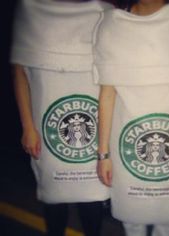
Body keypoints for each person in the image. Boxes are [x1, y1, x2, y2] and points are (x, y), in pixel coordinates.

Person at [94, 0, 169, 235]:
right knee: (132, 218)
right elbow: (107, 94)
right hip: (126, 146)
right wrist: (103, 154)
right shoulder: (112, 26)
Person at [11, 0, 113, 235]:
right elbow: (19, 71)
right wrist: (27, 127)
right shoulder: (30, 9)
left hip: (97, 127)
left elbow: (115, 78)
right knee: (54, 197)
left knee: (92, 198)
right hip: (46, 126)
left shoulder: (104, 12)